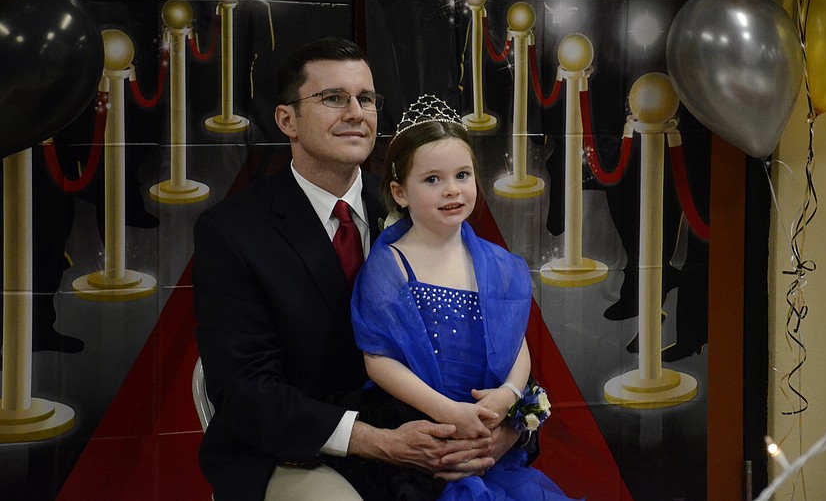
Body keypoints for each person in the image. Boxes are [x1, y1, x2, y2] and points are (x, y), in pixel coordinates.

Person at [192, 38, 524, 501]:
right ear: (286, 119)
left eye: (365, 99)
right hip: (298, 450)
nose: (356, 112)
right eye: (333, 98)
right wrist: (382, 443)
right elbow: (244, 392)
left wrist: (509, 425)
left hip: (433, 440)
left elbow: (488, 338)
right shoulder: (232, 232)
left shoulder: (419, 205)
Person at [349, 95, 578, 500]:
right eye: (432, 179)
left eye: (462, 175)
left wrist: (508, 395)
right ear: (400, 192)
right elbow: (378, 358)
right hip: (425, 427)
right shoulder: (391, 266)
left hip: (490, 428)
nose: (452, 190)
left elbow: (515, 341)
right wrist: (448, 410)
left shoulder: (497, 263)